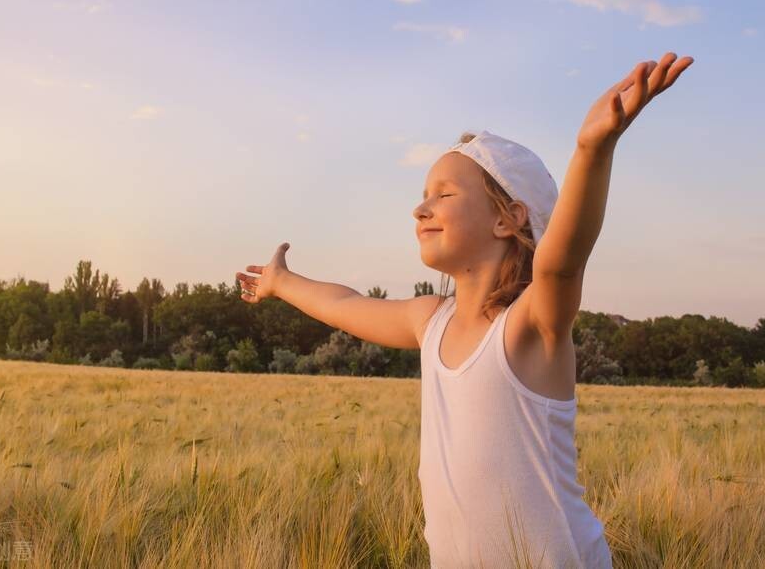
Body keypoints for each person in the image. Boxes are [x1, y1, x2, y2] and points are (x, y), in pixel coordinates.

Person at [236, 53, 694, 567]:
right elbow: (346, 305)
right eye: (422, 195)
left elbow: (562, 263)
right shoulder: (430, 321)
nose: (420, 207)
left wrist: (592, 148)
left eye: (444, 194)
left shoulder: (527, 326)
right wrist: (282, 281)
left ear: (508, 219)